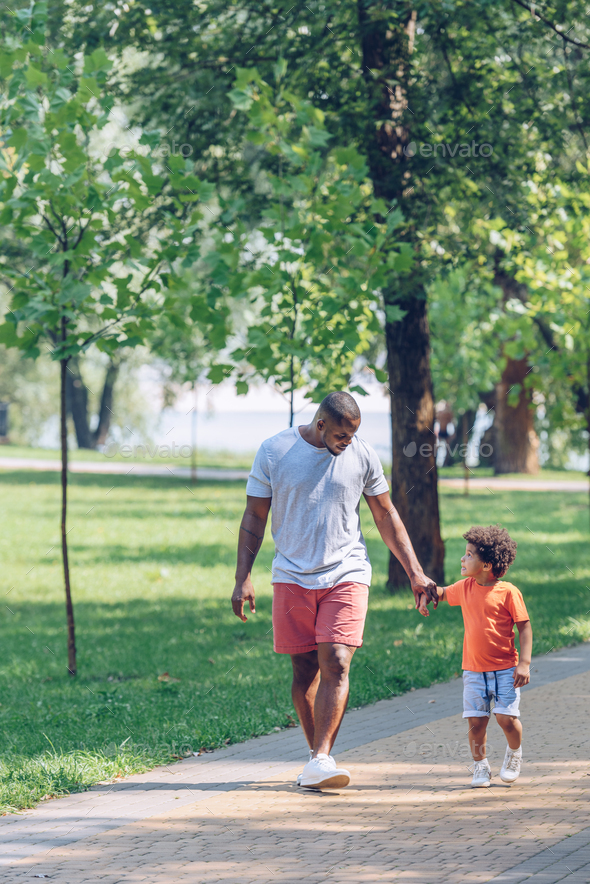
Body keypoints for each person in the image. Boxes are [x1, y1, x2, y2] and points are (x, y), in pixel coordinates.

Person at [231, 391, 438, 790]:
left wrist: (414, 572)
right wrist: (243, 576)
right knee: (304, 670)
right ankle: (317, 761)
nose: (348, 442)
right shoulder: (275, 451)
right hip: (291, 574)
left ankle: (322, 757)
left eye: (354, 434)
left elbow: (385, 513)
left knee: (337, 660)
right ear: (322, 424)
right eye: (342, 435)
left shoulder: (361, 454)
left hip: (347, 571)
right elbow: (255, 515)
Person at [429, 525, 532, 788]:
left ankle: (514, 754)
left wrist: (524, 664)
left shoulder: (508, 592)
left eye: (468, 555)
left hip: (506, 669)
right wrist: (423, 588)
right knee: (476, 722)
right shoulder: (465, 587)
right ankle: (480, 767)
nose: (462, 559)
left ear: (486, 564)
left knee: (506, 719)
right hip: (474, 670)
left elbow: (524, 627)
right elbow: (439, 593)